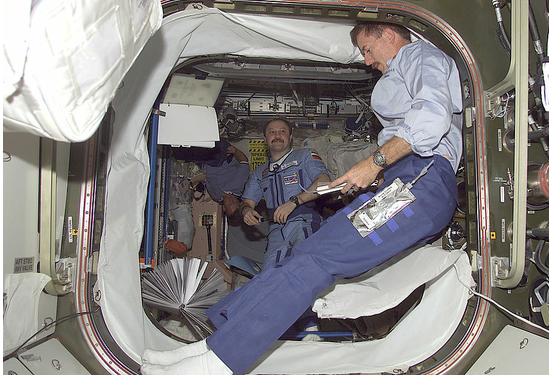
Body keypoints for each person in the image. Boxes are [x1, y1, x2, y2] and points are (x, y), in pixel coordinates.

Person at [141, 21, 464, 375]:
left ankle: (218, 363)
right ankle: (212, 344)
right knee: (304, 255)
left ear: (388, 33)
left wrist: (374, 164)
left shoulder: (421, 55)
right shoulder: (404, 69)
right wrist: (374, 178)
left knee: (317, 258)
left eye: (368, 49)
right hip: (405, 183)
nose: (368, 60)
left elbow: (432, 119)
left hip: (424, 180)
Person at [239, 117, 331, 270]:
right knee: (269, 277)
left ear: (290, 137)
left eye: (282, 131)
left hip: (303, 222)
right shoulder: (259, 173)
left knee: (304, 268)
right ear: (265, 139)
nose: (277, 135)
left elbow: (324, 182)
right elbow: (247, 203)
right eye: (272, 132)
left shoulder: (304, 156)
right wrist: (246, 211)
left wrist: (294, 202)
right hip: (276, 231)